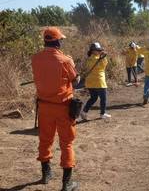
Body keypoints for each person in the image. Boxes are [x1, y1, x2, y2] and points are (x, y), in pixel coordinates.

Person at [31, 27, 79, 191]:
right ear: (57, 41)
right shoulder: (65, 60)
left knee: (45, 140)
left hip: (44, 106)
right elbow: (76, 80)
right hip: (63, 107)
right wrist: (73, 68)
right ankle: (67, 183)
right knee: (66, 143)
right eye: (61, 40)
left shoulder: (35, 59)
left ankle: (46, 174)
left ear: (45, 40)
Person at [80, 42, 111, 120]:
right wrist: (104, 57)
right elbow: (104, 65)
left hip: (90, 82)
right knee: (103, 98)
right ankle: (102, 113)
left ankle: (84, 112)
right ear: (93, 51)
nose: (99, 51)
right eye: (97, 50)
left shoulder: (88, 59)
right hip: (99, 81)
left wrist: (102, 56)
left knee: (93, 98)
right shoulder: (99, 59)